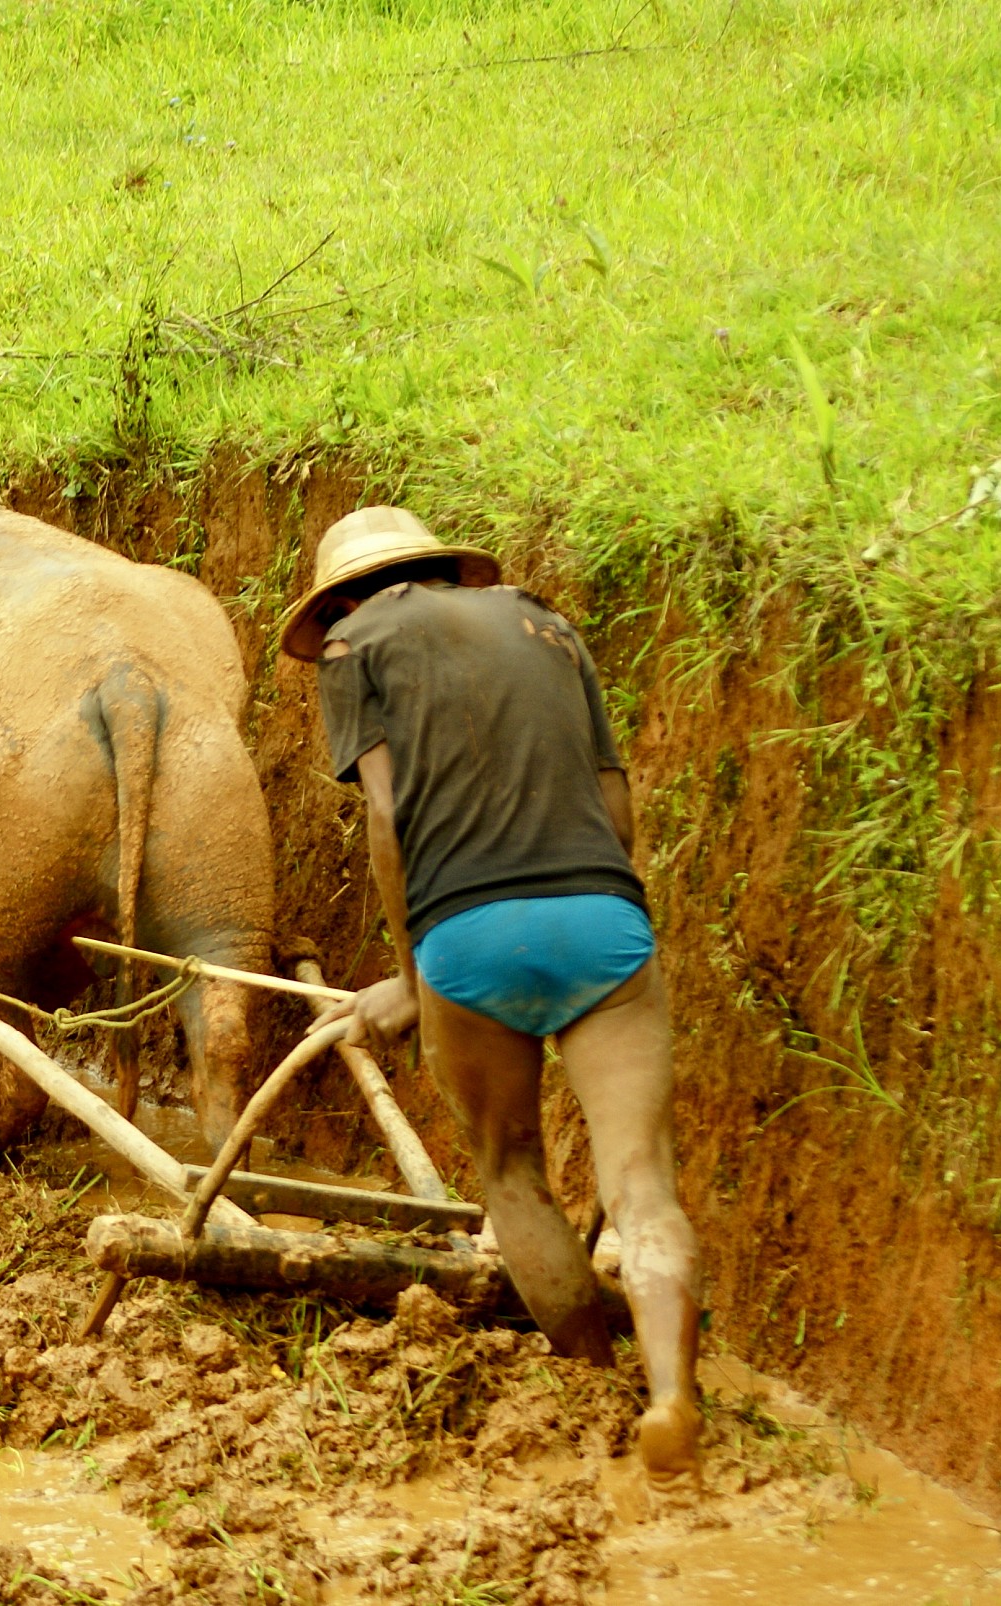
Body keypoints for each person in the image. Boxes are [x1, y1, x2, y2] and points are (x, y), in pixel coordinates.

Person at [279, 506, 703, 1490]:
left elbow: (390, 820)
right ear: (446, 574)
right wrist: (601, 906)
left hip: (467, 937)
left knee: (510, 1169)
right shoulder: (548, 627)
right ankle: (671, 1395)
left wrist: (415, 974)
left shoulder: (352, 645)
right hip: (606, 919)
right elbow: (616, 804)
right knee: (642, 1186)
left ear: (342, 598)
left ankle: (590, 1376)